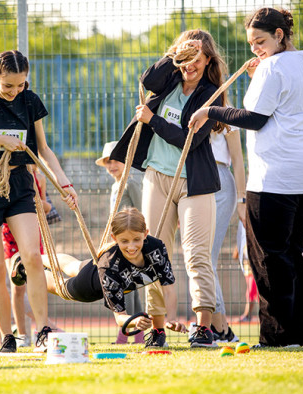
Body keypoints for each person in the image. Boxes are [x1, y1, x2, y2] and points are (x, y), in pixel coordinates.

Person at [188, 7, 303, 347]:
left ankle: (277, 337)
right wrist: (258, 79)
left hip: (278, 175)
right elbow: (284, 109)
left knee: (267, 256)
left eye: (261, 41)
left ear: (279, 35)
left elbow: (254, 119)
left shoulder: (272, 66)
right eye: (251, 43)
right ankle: (298, 335)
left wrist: (210, 110)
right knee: (292, 255)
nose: (255, 48)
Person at [0, 50, 78, 353]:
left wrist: (64, 183)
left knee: (33, 257)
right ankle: (7, 336)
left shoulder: (30, 100)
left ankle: (43, 331)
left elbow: (44, 149)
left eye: (21, 85)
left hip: (21, 184)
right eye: (8, 85)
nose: (15, 91)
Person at [111, 29, 229, 348]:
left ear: (208, 61)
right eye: (185, 58)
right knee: (153, 253)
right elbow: (149, 80)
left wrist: (152, 120)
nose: (190, 65)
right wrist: (174, 54)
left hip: (195, 182)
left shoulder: (211, 94)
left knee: (196, 255)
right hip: (157, 177)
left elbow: (188, 141)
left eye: (197, 58)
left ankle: (204, 328)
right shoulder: (169, 82)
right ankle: (158, 328)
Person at [14, 208, 186, 346]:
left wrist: (170, 319)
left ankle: (33, 258)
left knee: (74, 265)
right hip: (89, 286)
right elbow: (120, 318)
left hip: (94, 266)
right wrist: (135, 321)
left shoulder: (156, 249)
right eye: (124, 241)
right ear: (114, 238)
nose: (132, 247)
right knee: (61, 285)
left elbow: (168, 288)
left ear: (146, 234)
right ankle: (30, 266)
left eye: (136, 239)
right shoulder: (110, 266)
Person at [4, 168, 61, 347]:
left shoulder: (39, 178)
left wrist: (32, 202)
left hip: (33, 233)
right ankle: (21, 334)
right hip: (9, 235)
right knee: (17, 287)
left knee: (36, 279)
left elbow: (46, 206)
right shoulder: (7, 173)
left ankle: (42, 330)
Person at [95, 141, 144, 344]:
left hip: (131, 243)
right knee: (128, 287)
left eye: (116, 160)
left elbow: (141, 210)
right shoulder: (116, 185)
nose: (112, 165)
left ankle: (126, 334)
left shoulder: (131, 182)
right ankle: (138, 334)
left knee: (126, 287)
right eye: (108, 162)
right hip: (119, 243)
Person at [208, 125, 246, 342]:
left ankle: (219, 327)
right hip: (192, 180)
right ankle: (220, 327)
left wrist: (242, 200)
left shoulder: (226, 113)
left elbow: (238, 160)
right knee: (198, 258)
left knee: (206, 258)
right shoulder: (186, 104)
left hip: (220, 180)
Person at [234, 221, 257, 322]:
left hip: (254, 269)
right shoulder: (243, 237)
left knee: (251, 293)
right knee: (251, 293)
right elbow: (236, 254)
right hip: (248, 269)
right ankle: (248, 315)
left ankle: (247, 315)